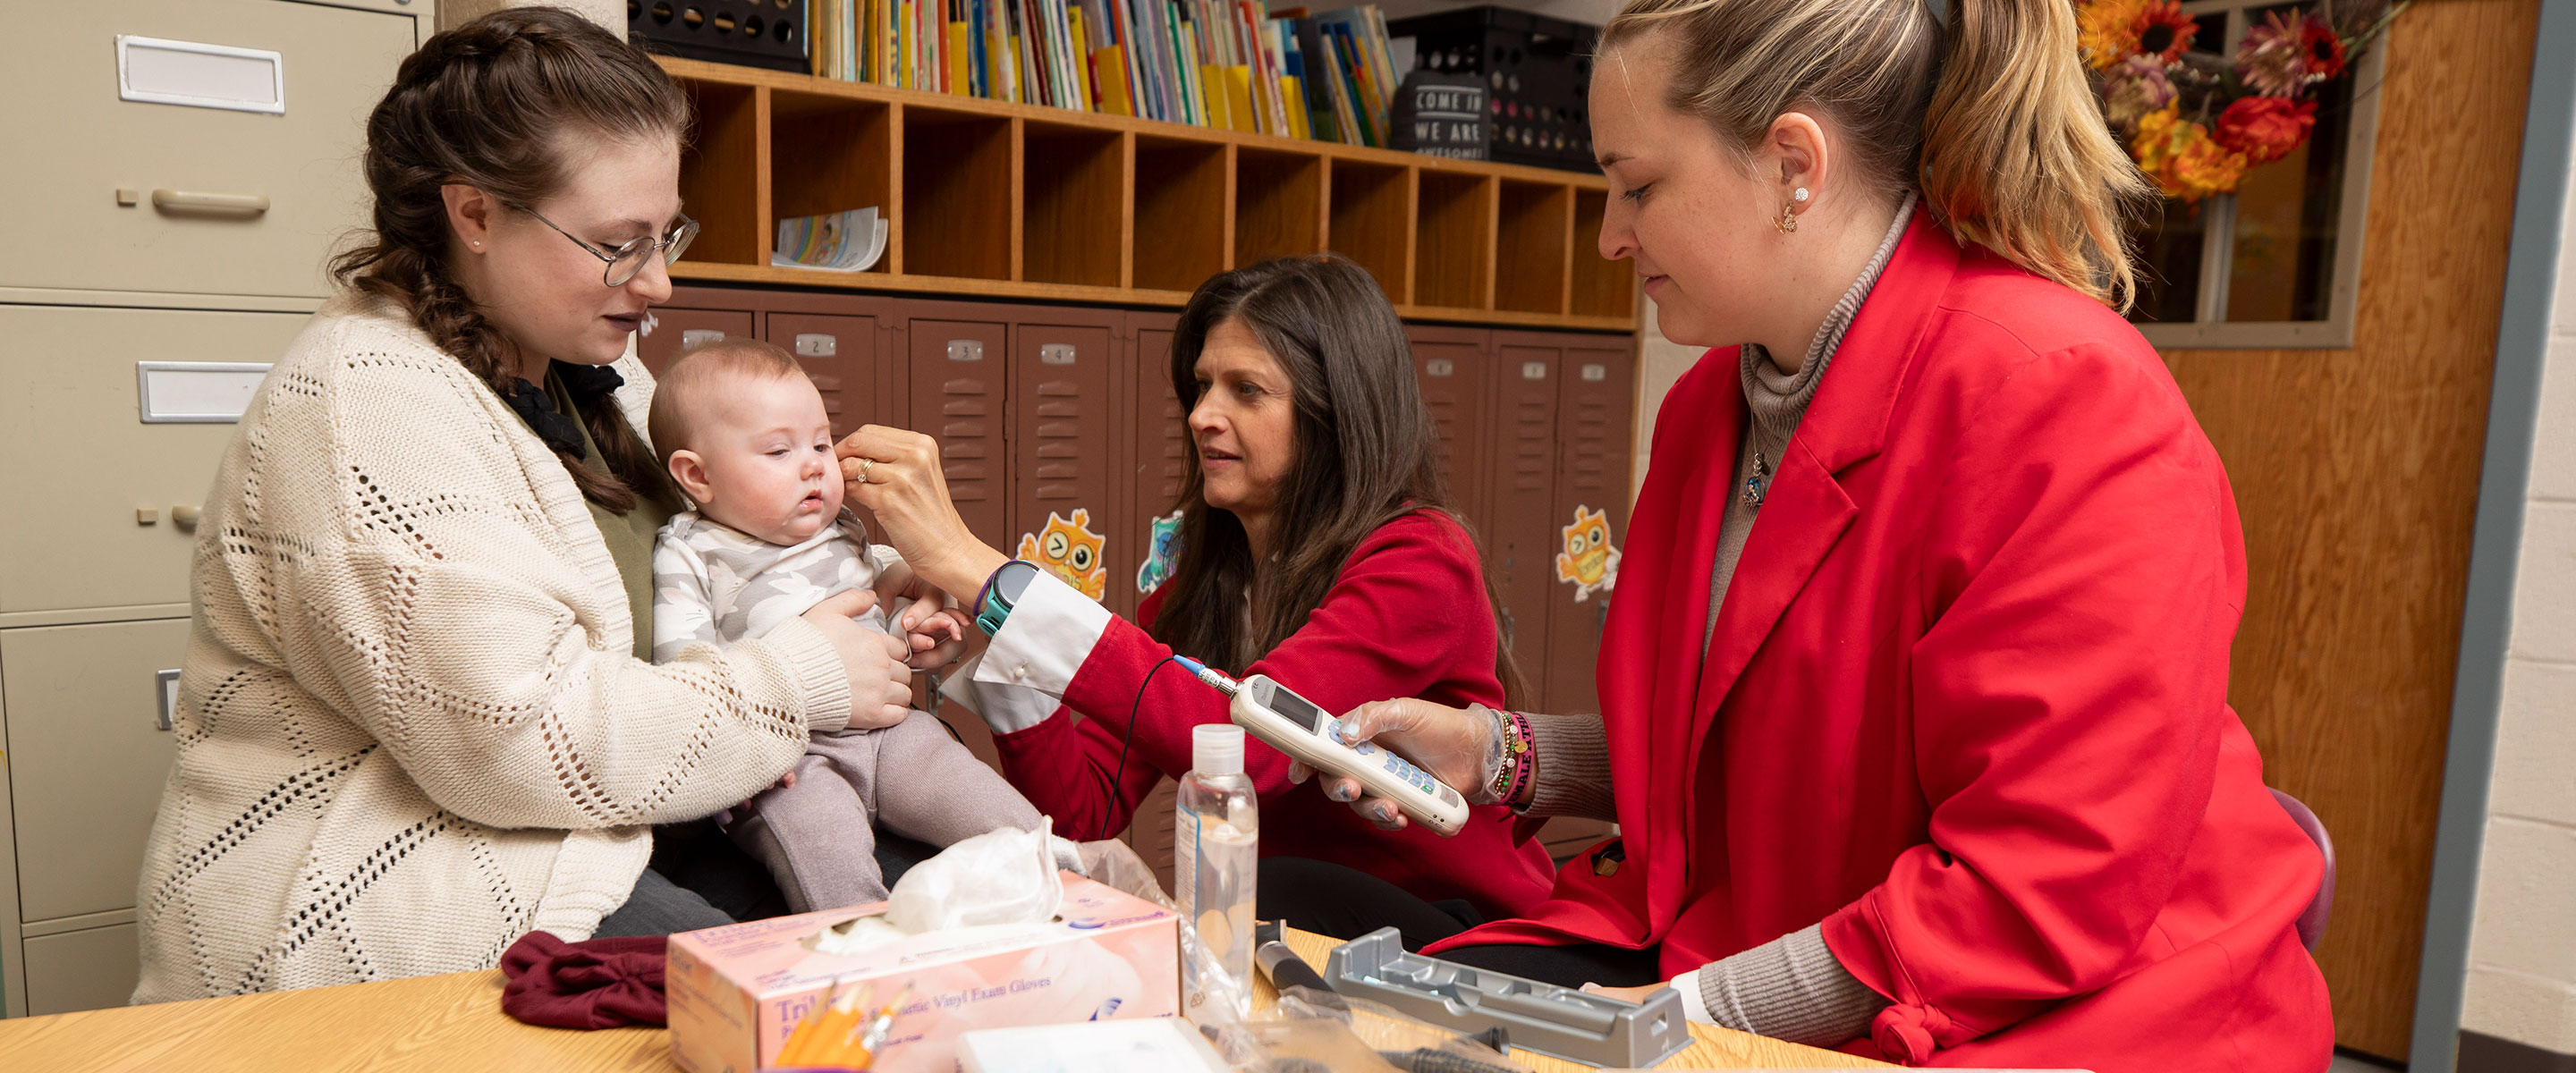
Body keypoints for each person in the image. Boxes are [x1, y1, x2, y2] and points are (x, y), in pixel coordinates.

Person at [1296, 0, 2334, 1069]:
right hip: (1797, 948)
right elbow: (1767, 741)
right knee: (1321, 970)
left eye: (1639, 186)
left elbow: (2034, 889)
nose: (1611, 233)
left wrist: (1665, 1020)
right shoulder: (1713, 408)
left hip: (2045, 1006)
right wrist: (1498, 754)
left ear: (1795, 163)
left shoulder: (2062, 396)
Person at [131, 9, 934, 1001]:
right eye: (618, 243)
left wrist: (883, 601)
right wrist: (805, 676)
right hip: (414, 870)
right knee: (795, 998)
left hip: (610, 818)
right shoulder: (366, 405)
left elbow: (718, 585)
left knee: (931, 910)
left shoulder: (594, 377)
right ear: (474, 216)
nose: (661, 281)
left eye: (666, 234)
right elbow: (515, 744)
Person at [838, 256, 1558, 925]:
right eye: (1203, 386)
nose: (1201, 415)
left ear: (1334, 414)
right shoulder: (1205, 588)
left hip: (1450, 925)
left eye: (1246, 390)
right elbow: (1086, 809)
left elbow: (1253, 748)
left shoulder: (1421, 559)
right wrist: (997, 625)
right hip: (1300, 926)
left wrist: (973, 564)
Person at [647, 337, 1082, 913]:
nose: (814, 464)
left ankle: (1074, 889)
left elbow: (876, 604)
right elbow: (686, 673)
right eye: (779, 451)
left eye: (822, 443)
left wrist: (913, 618)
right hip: (794, 761)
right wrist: (732, 763)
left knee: (984, 806)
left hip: (896, 732)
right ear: (697, 476)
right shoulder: (691, 551)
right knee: (831, 866)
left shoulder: (842, 528)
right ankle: (862, 961)